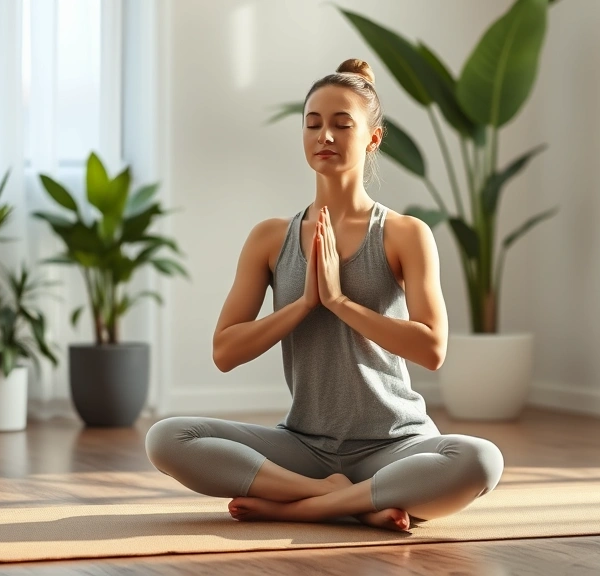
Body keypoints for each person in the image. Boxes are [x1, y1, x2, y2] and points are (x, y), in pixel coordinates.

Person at [145, 58, 503, 532]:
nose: (324, 136)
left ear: (373, 138)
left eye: (341, 124)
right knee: (168, 437)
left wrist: (340, 303)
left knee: (480, 459)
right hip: (304, 448)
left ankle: (298, 506)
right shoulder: (270, 238)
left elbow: (432, 349)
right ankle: (339, 498)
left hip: (395, 444)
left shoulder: (404, 234)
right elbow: (225, 351)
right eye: (313, 124)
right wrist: (302, 306)